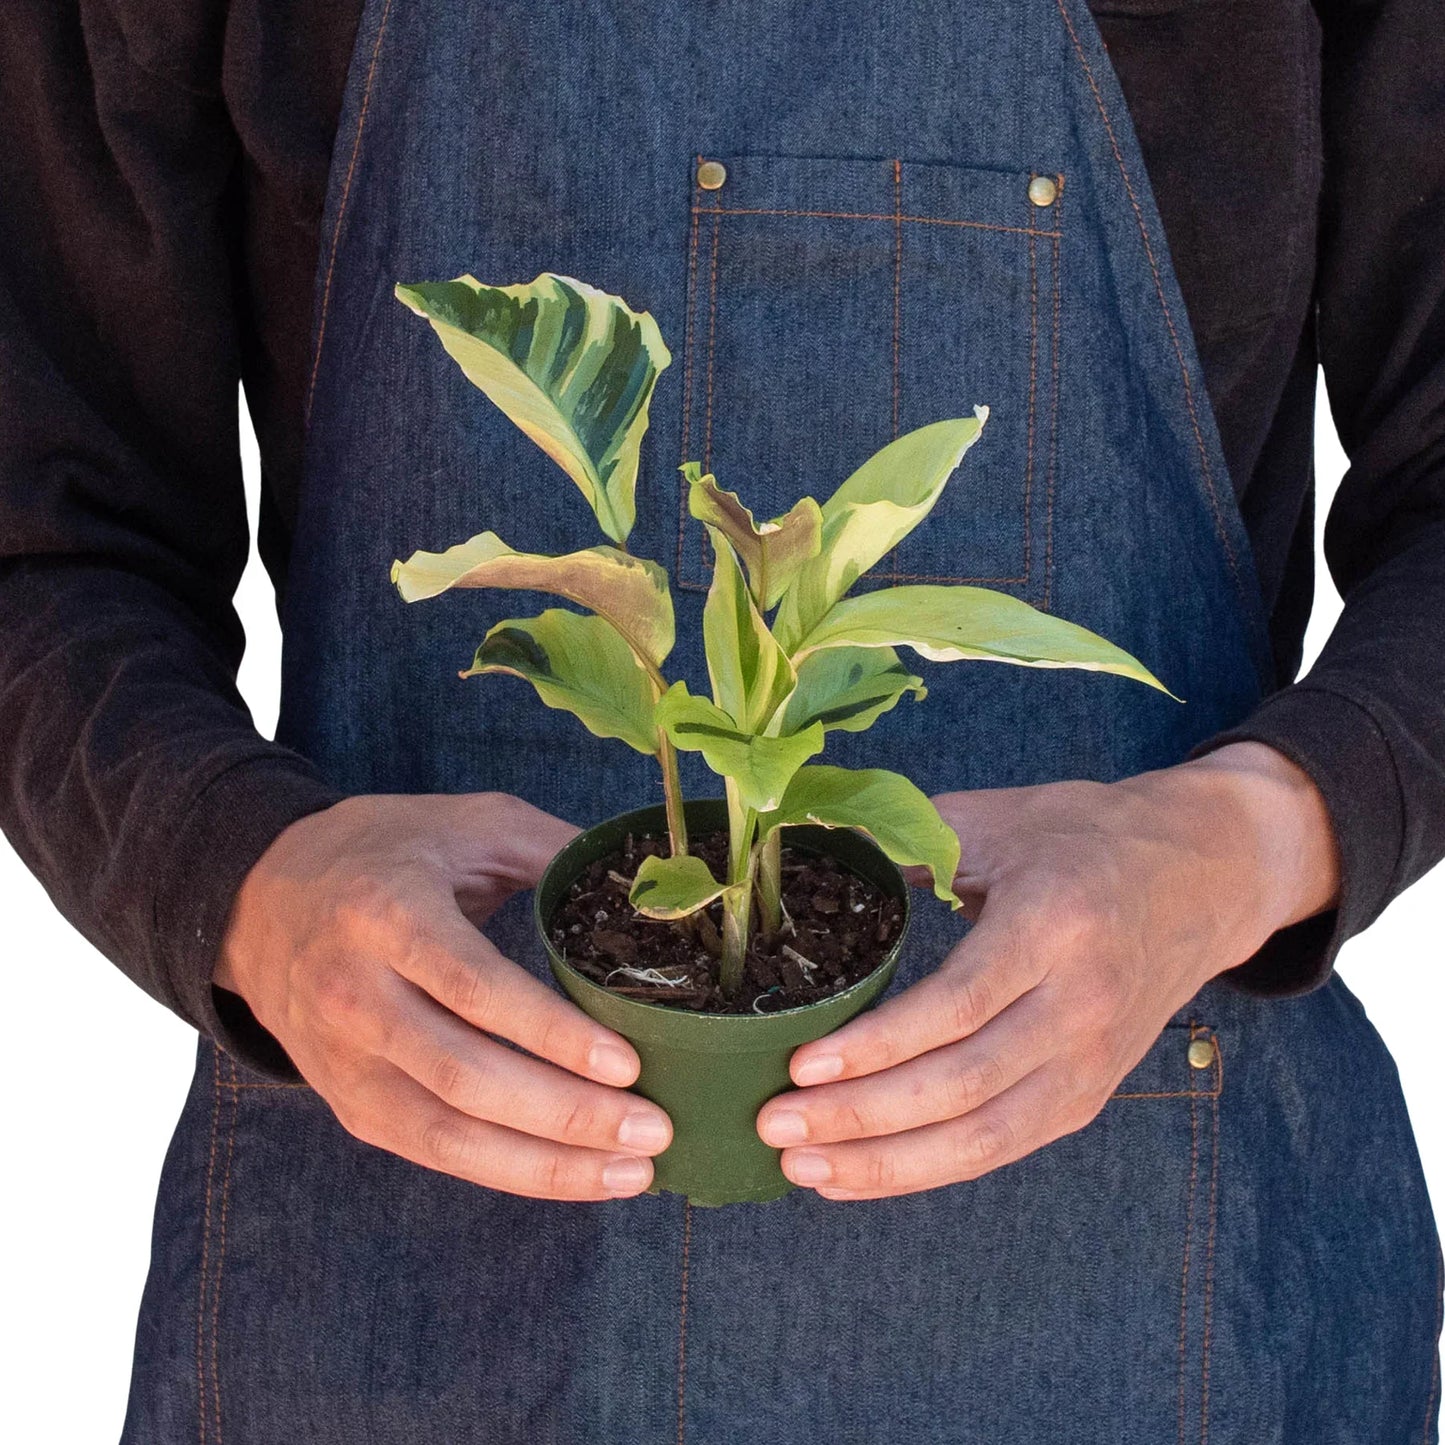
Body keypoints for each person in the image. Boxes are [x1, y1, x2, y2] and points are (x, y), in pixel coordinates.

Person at [2, 0, 1442, 1439]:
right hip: (404, 1308)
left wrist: (1249, 837)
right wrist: (237, 882)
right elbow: (48, 529)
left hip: (1154, 1319)